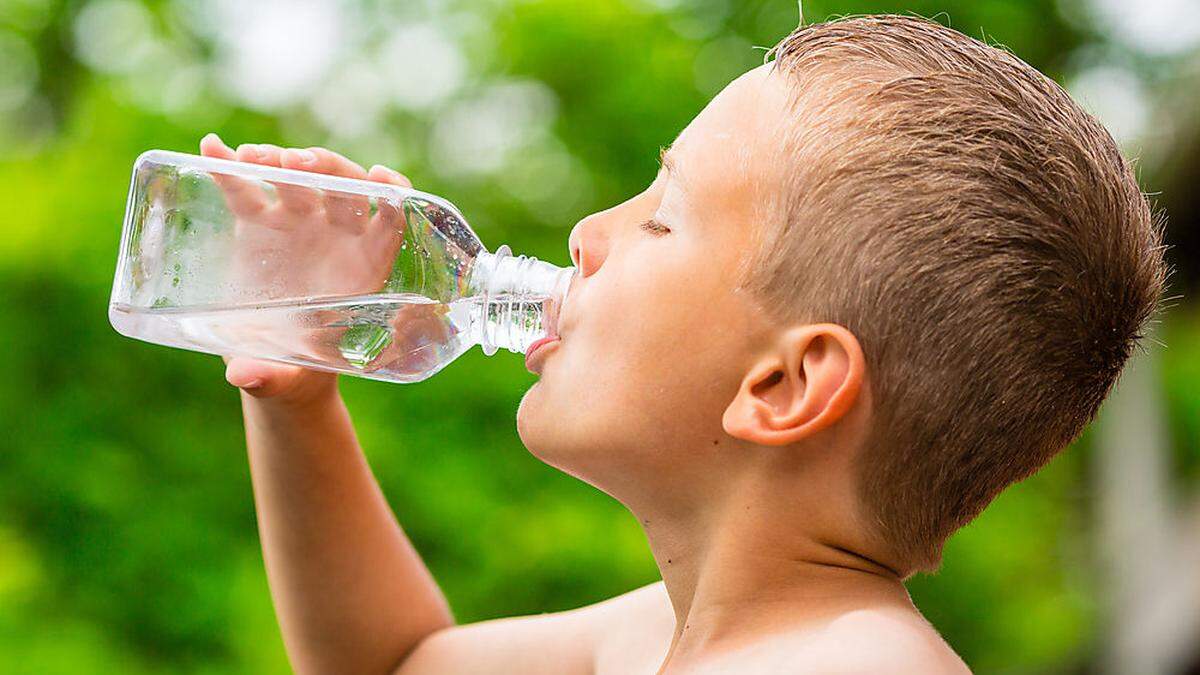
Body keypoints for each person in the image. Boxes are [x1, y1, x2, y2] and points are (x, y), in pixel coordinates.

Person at [199, 14, 1167, 674]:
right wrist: (297, 392)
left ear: (786, 384)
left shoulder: (853, 665)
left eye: (663, 219)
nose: (586, 233)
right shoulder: (653, 634)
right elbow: (392, 664)